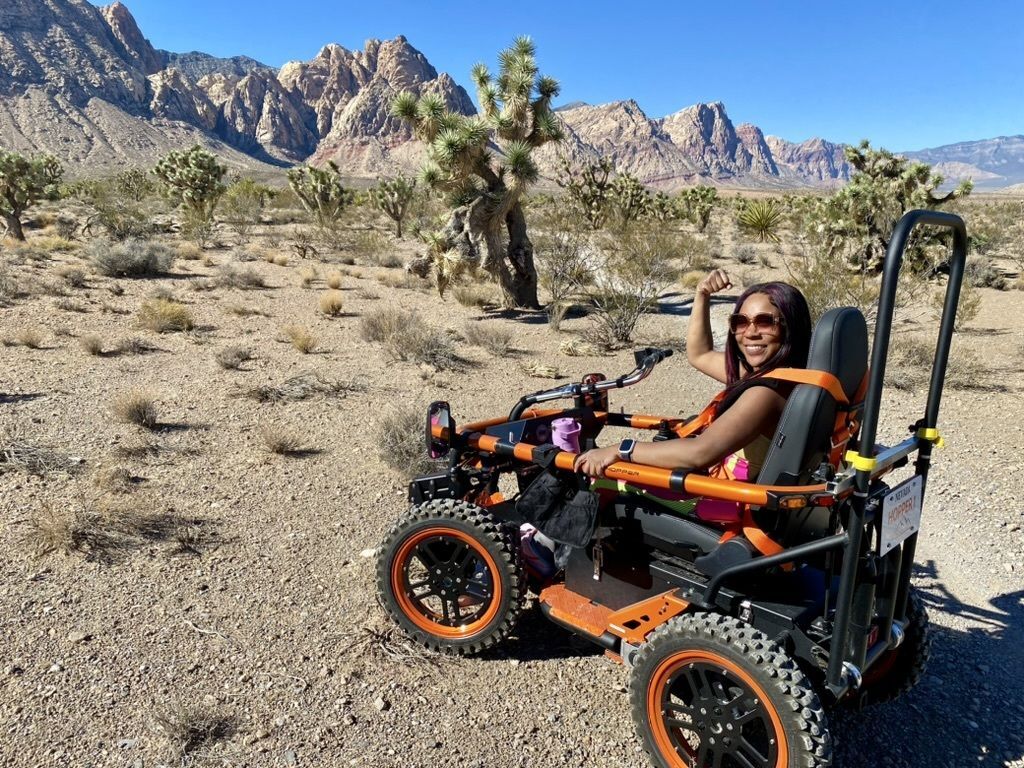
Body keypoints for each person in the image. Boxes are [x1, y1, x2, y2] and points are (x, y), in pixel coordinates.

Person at [573, 269, 812, 479]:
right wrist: (702, 294)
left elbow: (700, 453)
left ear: (790, 327)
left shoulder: (766, 393)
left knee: (606, 485)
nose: (750, 332)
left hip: (720, 507)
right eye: (740, 322)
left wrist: (619, 449)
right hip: (721, 488)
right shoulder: (782, 377)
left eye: (765, 322)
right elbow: (701, 355)